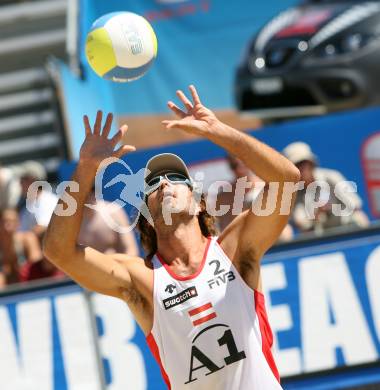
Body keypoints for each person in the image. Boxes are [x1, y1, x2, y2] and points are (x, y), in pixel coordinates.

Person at [43, 86, 300, 389]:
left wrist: (219, 132)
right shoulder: (142, 279)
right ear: (148, 217)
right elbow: (58, 251)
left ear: (199, 202)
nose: (164, 183)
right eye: (152, 185)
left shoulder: (234, 250)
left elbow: (287, 180)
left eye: (176, 178)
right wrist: (85, 169)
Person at [283, 142, 369, 234]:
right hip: (318, 234)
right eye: (297, 165)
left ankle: (367, 245)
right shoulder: (293, 192)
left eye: (304, 162)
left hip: (345, 225)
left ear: (311, 163)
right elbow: (302, 224)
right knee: (305, 233)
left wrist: (332, 208)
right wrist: (316, 214)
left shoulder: (331, 176)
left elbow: (355, 204)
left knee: (359, 217)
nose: (302, 168)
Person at [216, 154, 294, 242]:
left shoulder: (267, 186)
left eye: (243, 164)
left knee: (286, 232)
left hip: (269, 239)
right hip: (241, 244)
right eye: (234, 166)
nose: (239, 170)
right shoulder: (225, 197)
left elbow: (279, 222)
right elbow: (224, 229)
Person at [78, 188, 139, 255]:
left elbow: (131, 249)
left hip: (112, 263)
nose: (87, 199)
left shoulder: (113, 212)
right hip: (80, 264)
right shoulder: (70, 218)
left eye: (89, 194)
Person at [0, 208, 42, 288]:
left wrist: (22, 269)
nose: (7, 225)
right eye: (4, 221)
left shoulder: (27, 239)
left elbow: (37, 265)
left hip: (29, 285)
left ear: (18, 223)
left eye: (12, 221)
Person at [17, 161, 58, 239]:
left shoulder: (48, 200)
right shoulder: (27, 205)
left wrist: (21, 240)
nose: (19, 183)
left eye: (22, 179)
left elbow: (43, 227)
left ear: (32, 180)